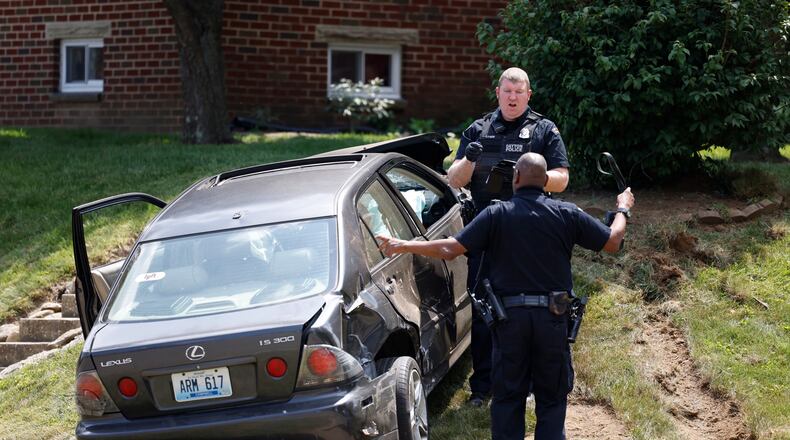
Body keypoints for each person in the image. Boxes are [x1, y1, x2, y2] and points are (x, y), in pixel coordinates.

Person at [378, 152, 634, 440]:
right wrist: (623, 209)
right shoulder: (567, 213)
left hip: (510, 321)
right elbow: (613, 241)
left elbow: (449, 249)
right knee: (552, 400)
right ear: (545, 180)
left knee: (508, 400)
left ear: (516, 178)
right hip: (554, 320)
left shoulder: (496, 214)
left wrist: (403, 245)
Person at [447, 67, 570, 406]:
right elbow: (454, 179)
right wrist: (470, 158)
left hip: (531, 229)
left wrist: (529, 175)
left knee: (529, 309)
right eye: (507, 91)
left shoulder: (544, 129)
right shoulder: (478, 129)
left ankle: (527, 384)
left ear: (528, 95)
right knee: (483, 307)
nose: (513, 98)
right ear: (498, 93)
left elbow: (562, 178)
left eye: (519, 92)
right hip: (487, 229)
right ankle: (482, 387)